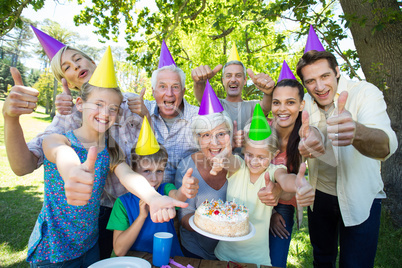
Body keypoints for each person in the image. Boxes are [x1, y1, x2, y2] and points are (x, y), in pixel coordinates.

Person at [27, 67, 187, 267]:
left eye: (113, 108)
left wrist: (153, 197)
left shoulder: (110, 150)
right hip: (53, 251)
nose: (106, 113)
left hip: (89, 248)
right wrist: (71, 171)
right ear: (80, 104)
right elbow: (60, 152)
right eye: (98, 104)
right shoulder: (58, 138)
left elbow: (128, 175)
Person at [296, 50, 398, 267]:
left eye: (325, 76)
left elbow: (386, 144)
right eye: (311, 81)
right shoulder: (305, 100)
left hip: (362, 197)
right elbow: (304, 132)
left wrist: (356, 132)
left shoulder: (364, 93)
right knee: (322, 259)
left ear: (337, 72)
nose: (320, 87)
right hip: (320, 196)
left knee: (356, 264)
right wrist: (305, 142)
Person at [211, 117, 315, 267]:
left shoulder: (274, 171)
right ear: (244, 151)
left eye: (261, 157)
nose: (254, 161)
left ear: (274, 154)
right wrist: (223, 157)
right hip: (224, 255)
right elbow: (229, 161)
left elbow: (285, 179)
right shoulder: (238, 168)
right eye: (250, 155)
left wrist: (298, 184)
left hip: (257, 259)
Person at [107, 144, 199, 257]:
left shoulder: (165, 189)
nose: (154, 178)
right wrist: (141, 216)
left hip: (168, 259)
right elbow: (119, 251)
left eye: (159, 171)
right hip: (134, 261)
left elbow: (176, 196)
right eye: (147, 171)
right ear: (133, 171)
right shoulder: (123, 203)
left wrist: (184, 190)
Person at [127, 64, 200, 183]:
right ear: (153, 91)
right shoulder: (141, 108)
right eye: (162, 86)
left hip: (184, 194)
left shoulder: (198, 116)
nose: (169, 93)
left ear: (183, 91)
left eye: (175, 87)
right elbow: (110, 97)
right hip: (147, 194)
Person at [174, 112, 232, 260]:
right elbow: (184, 217)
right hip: (195, 251)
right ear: (198, 139)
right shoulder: (186, 167)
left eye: (220, 134)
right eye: (206, 135)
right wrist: (214, 225)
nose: (214, 142)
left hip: (232, 252)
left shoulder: (238, 164)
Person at [268, 79, 306, 267]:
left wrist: (275, 212)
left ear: (301, 105)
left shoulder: (306, 137)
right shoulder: (262, 128)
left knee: (275, 262)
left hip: (283, 205)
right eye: (277, 102)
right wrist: (269, 212)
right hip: (254, 201)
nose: (282, 109)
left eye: (290, 102)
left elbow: (293, 189)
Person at [191, 60, 275, 132]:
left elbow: (266, 106)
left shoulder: (253, 106)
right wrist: (199, 82)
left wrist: (268, 92)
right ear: (223, 81)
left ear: (245, 80)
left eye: (238, 75)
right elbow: (202, 97)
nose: (233, 79)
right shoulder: (215, 104)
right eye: (228, 76)